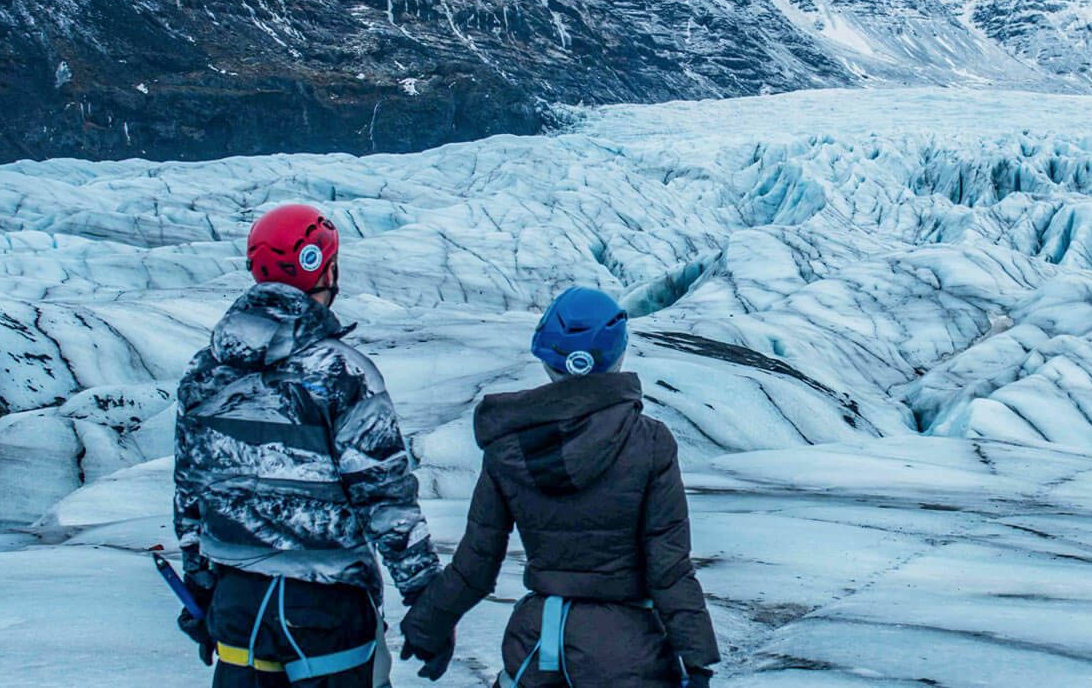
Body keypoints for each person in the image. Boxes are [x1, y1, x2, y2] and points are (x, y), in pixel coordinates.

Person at [172, 204, 440, 687]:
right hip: (326, 609)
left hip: (237, 604)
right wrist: (427, 600)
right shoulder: (342, 374)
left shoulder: (203, 373)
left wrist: (200, 587)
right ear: (324, 266)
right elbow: (386, 500)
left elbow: (190, 494)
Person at [398, 287, 721, 687]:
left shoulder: (506, 445)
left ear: (548, 359)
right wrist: (699, 661)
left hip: (535, 646)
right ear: (617, 353)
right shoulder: (649, 442)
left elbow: (476, 563)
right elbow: (669, 567)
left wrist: (429, 626)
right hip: (629, 652)